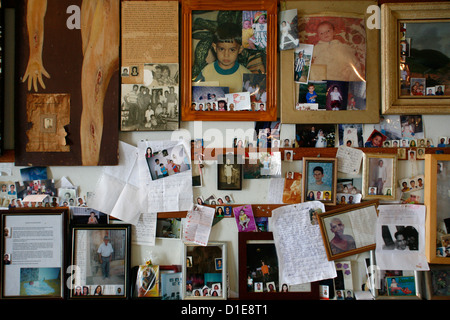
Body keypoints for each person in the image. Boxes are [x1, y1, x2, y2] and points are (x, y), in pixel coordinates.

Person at [194, 22, 252, 93]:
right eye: (221, 49)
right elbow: (194, 94)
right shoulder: (206, 72)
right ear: (215, 48)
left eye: (232, 50)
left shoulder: (246, 75)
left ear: (240, 49)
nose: (226, 55)